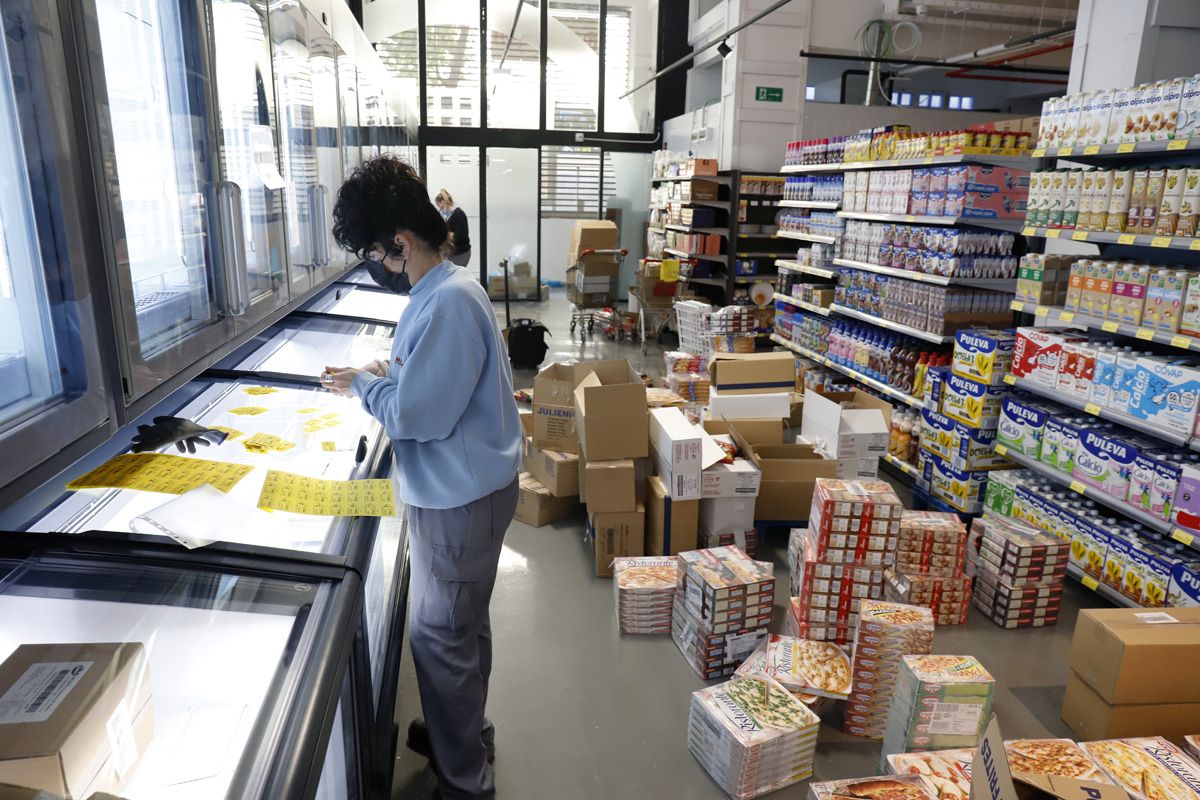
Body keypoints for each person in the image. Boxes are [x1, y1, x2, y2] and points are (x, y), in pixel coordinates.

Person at [322, 156, 522, 800]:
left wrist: (365, 385)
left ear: (402, 244)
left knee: (440, 637)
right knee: (462, 628)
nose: (379, 265)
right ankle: (462, 735)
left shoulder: (449, 304)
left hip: (460, 500)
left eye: (378, 253)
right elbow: (429, 379)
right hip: (465, 491)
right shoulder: (442, 293)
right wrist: (390, 368)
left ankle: (465, 782)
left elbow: (415, 416)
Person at [435, 189, 472, 267]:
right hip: (454, 254)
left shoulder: (458, 214)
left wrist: (448, 237)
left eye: (441, 207)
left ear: (443, 202)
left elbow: (461, 235)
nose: (440, 210)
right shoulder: (449, 216)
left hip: (461, 253)